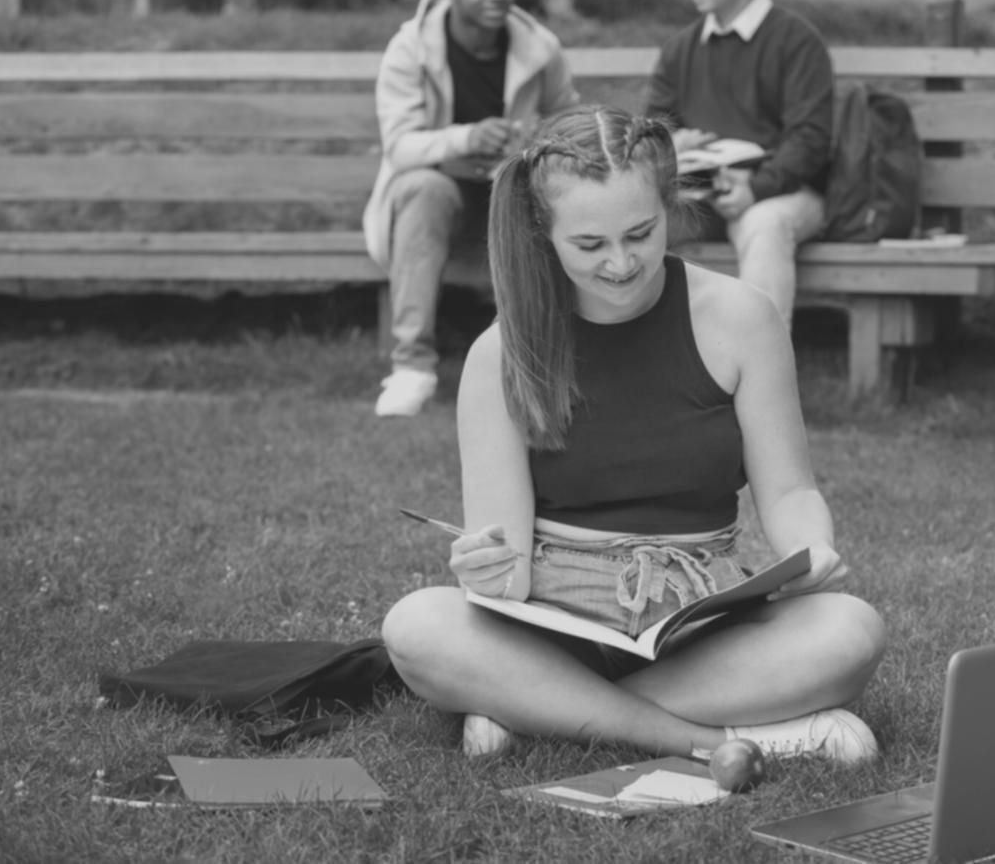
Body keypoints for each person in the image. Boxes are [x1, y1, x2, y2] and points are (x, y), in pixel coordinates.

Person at [380, 104, 889, 762]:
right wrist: (486, 568)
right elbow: (506, 579)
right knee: (418, 625)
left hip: (700, 621)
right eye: (589, 246)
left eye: (641, 234)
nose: (621, 263)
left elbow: (789, 490)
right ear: (546, 235)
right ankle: (719, 740)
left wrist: (811, 550)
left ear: (669, 209)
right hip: (554, 624)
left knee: (850, 630)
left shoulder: (741, 318)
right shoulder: (499, 354)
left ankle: (539, 710)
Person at [363, 0, 579, 418]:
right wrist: (466, 139)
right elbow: (400, 146)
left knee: (548, 196)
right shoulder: (410, 49)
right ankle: (411, 368)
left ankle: (542, 365)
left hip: (510, 188)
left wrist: (531, 139)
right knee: (424, 188)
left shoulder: (539, 48)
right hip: (440, 198)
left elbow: (570, 122)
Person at [646, 0, 833, 329]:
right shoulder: (681, 48)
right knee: (634, 219)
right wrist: (672, 146)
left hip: (781, 193)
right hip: (700, 195)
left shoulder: (795, 40)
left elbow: (811, 140)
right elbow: (651, 132)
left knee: (763, 225)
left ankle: (762, 376)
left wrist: (757, 187)